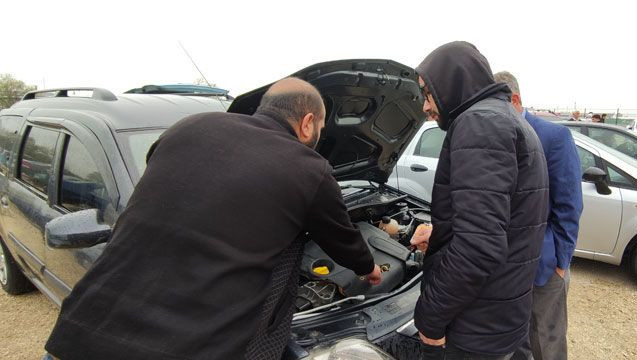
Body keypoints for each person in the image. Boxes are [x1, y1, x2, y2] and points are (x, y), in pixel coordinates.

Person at [44, 78, 382, 360]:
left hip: (86, 330)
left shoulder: (188, 126)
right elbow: (342, 239)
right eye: (321, 127)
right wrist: (369, 268)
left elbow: (175, 181)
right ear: (308, 122)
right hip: (187, 347)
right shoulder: (309, 167)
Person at [412, 41, 549, 360]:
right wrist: (443, 234)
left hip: (475, 326)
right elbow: (506, 220)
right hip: (500, 313)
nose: (424, 107)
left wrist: (430, 319)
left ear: (450, 81)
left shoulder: (480, 124)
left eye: (426, 93)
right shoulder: (506, 118)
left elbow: (479, 248)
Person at [494, 71, 583, 360]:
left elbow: (569, 204)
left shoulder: (554, 136)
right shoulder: (497, 135)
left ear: (515, 99)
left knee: (546, 338)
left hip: (544, 267)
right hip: (507, 266)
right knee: (517, 338)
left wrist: (561, 260)